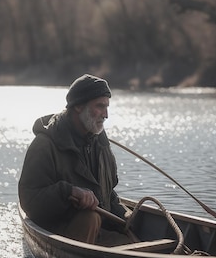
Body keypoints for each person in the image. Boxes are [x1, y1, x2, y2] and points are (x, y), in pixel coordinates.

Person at [18, 74, 135, 246]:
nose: (106, 115)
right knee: (91, 218)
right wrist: (69, 192)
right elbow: (30, 201)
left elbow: (107, 194)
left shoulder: (99, 142)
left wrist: (126, 216)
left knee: (136, 232)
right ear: (79, 106)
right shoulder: (44, 145)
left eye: (107, 107)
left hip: (100, 232)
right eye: (100, 106)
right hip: (58, 230)